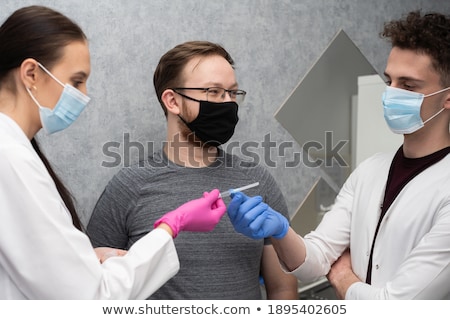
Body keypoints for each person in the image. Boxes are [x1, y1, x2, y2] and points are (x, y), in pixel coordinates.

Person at [0, 5, 226, 299]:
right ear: (31, 73)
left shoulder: (15, 152)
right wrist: (172, 225)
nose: (84, 95)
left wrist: (86, 260)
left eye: (232, 93)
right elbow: (92, 298)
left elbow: (42, 268)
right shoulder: (11, 158)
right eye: (76, 81)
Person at [226, 10, 450, 300]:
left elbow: (394, 308)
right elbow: (316, 259)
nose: (390, 94)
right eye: (389, 81)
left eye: (408, 86)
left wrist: (342, 276)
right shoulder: (371, 170)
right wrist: (281, 232)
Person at [87, 41, 298, 299]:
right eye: (213, 92)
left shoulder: (255, 181)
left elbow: (283, 288)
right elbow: (95, 286)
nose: (227, 103)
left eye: (232, 93)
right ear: (172, 101)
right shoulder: (129, 186)